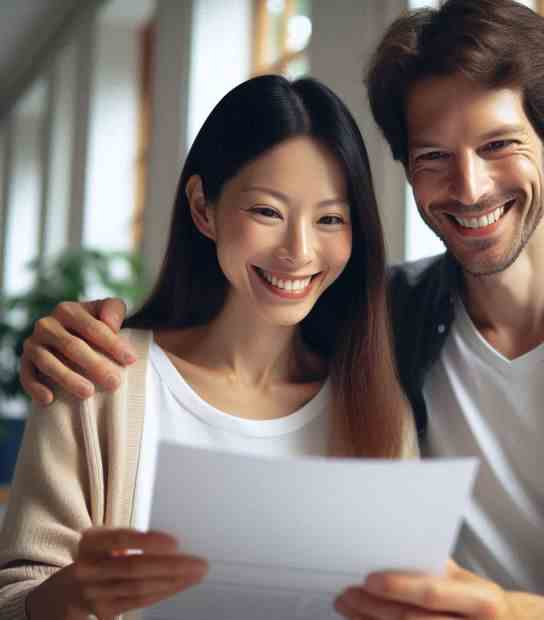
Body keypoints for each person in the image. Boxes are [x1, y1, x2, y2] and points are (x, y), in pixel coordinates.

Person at [12, 0, 544, 618]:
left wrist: (524, 614)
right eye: (434, 156)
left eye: (498, 144)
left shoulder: (379, 355)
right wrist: (61, 338)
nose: (469, 186)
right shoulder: (387, 323)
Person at [0, 74, 415, 620]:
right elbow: (15, 597)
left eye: (331, 219)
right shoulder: (99, 377)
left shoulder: (375, 408)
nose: (299, 250)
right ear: (203, 208)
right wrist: (74, 594)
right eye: (267, 211)